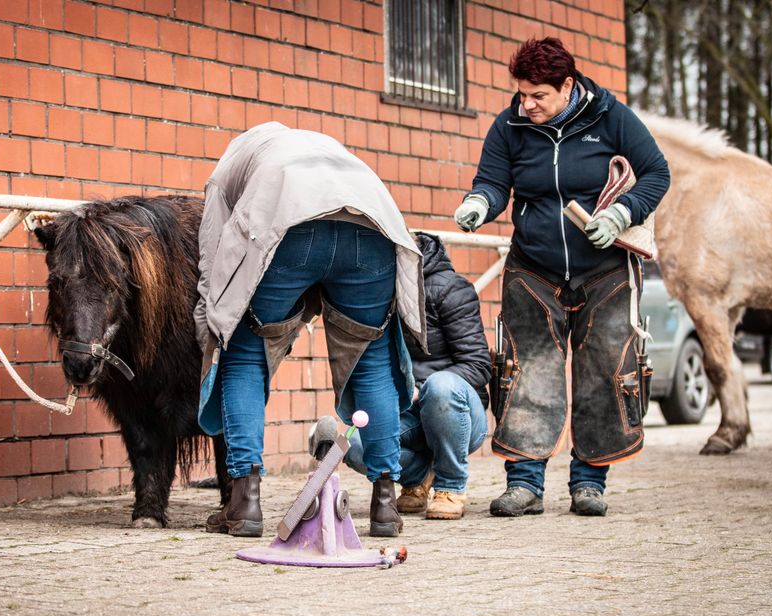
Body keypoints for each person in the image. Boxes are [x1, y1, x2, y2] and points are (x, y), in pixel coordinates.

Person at [453, 37, 670, 517]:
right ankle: (525, 484)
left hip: (606, 270)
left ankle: (589, 483)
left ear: (567, 86)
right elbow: (493, 182)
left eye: (538, 96)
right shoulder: (509, 126)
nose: (526, 104)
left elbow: (657, 173)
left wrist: (620, 214)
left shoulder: (612, 117)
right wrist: (479, 204)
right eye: (522, 93)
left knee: (603, 374)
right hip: (534, 268)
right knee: (526, 372)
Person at [195, 122, 426, 538]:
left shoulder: (231, 163)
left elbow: (215, 259)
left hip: (290, 230)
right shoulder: (330, 149)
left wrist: (211, 324)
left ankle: (245, 503)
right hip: (372, 228)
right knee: (372, 359)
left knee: (244, 351)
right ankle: (386, 504)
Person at [328, 232, 492, 520]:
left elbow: (478, 365)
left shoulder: (451, 289)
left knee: (440, 386)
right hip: (409, 414)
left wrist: (420, 387)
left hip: (456, 411)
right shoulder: (378, 293)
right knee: (350, 445)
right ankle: (418, 479)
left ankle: (451, 486)